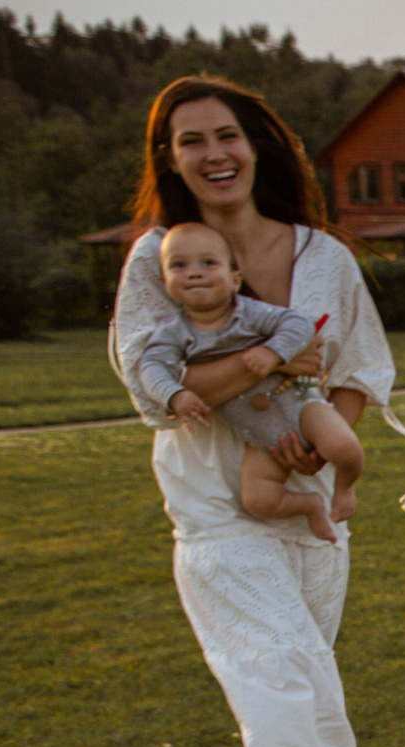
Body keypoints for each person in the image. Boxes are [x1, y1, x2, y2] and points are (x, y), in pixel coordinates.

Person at [109, 75, 405, 747]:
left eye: (227, 134)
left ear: (258, 144)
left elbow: (360, 368)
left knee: (297, 667)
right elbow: (154, 390)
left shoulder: (324, 258)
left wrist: (320, 435)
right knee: (291, 671)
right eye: (191, 141)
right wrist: (264, 365)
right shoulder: (158, 259)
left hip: (308, 500)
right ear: (171, 158)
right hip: (217, 506)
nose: (213, 153)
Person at [138, 221, 364, 545]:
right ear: (165, 282)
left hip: (299, 405)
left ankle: (344, 487)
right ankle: (310, 506)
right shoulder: (173, 333)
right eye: (179, 266)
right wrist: (175, 395)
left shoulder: (249, 312)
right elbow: (151, 367)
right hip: (259, 435)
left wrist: (273, 352)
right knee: (258, 501)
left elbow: (297, 324)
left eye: (209, 263)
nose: (194, 272)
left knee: (344, 447)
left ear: (235, 279)